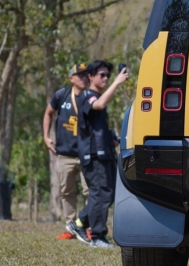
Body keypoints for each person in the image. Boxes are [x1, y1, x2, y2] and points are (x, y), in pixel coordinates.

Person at [67, 60, 129, 248]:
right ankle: (97, 236)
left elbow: (96, 127)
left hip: (104, 153)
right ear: (91, 77)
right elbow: (99, 105)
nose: (105, 78)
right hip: (93, 156)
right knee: (100, 194)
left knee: (107, 195)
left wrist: (112, 139)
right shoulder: (87, 95)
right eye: (101, 75)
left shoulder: (95, 96)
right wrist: (117, 82)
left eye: (108, 76)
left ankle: (79, 224)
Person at [42, 63, 91, 240]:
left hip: (87, 154)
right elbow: (48, 113)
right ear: (71, 78)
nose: (84, 77)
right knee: (67, 192)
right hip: (65, 154)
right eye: (80, 75)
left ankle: (89, 228)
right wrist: (46, 137)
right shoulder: (61, 95)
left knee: (90, 192)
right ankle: (71, 228)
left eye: (86, 74)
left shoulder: (91, 97)